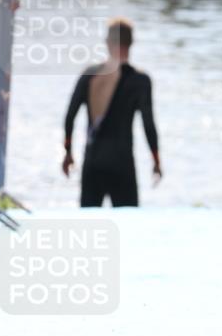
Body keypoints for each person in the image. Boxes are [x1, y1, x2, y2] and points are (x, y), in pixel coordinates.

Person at [62, 17, 161, 206]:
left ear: (108, 43)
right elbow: (148, 124)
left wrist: (68, 152)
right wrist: (156, 160)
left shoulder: (89, 74)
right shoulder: (140, 80)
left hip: (92, 162)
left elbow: (69, 117)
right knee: (128, 224)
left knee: (89, 225)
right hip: (122, 162)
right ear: (131, 43)